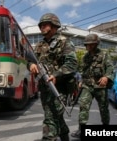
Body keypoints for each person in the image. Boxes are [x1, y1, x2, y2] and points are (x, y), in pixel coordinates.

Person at [27, 13, 78, 141]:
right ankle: (65, 135)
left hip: (60, 88)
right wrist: (31, 65)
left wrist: (56, 75)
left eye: (45, 24)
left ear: (54, 26)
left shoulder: (64, 42)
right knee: (56, 117)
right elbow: (30, 60)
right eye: (41, 25)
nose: (42, 27)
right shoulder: (39, 45)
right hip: (45, 88)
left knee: (50, 119)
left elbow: (72, 64)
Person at [71, 33, 114, 138]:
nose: (89, 46)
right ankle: (81, 130)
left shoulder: (104, 55)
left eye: (91, 44)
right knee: (83, 106)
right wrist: (81, 80)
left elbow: (110, 67)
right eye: (87, 44)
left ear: (96, 44)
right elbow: (83, 70)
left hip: (100, 86)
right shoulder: (85, 57)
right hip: (87, 86)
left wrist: (106, 77)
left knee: (103, 108)